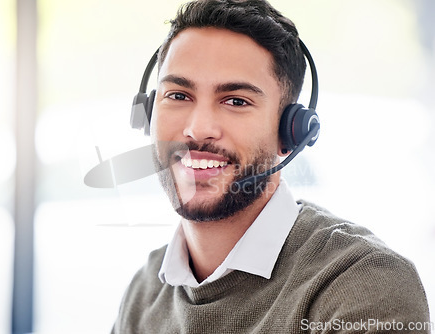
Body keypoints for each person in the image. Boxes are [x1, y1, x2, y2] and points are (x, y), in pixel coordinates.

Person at [112, 0, 431, 332]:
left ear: (290, 132)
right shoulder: (145, 292)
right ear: (148, 115)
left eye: (236, 101)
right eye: (178, 95)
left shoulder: (362, 284)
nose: (198, 128)